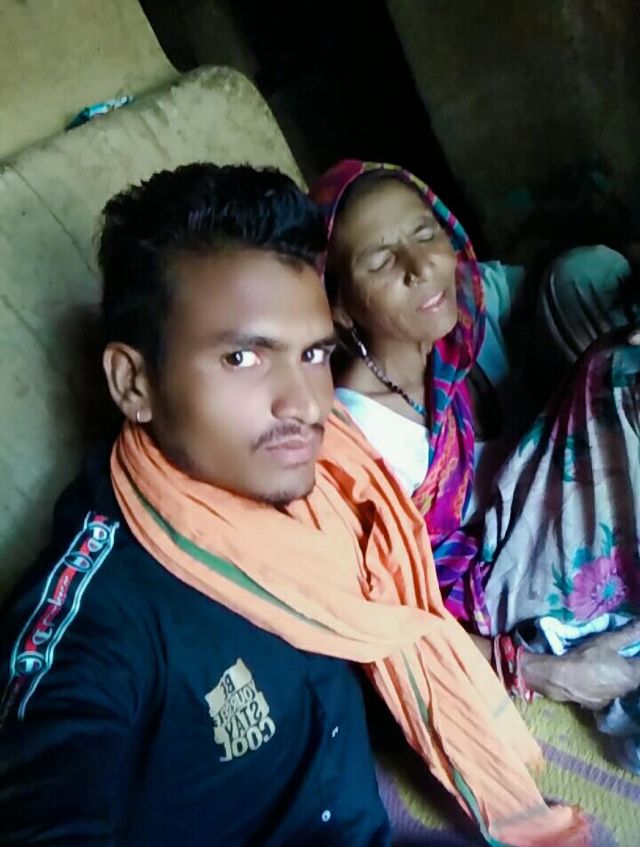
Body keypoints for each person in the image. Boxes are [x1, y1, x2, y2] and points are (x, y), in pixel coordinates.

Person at [0, 163, 589, 846]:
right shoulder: (104, 619)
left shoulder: (335, 488)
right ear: (133, 382)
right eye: (243, 359)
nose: (306, 405)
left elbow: (403, 629)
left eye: (313, 355)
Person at [310, 159, 640, 726]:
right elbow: (381, 625)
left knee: (596, 283)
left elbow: (553, 282)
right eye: (381, 260)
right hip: (489, 580)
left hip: (529, 508)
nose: (420, 266)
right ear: (337, 304)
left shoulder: (453, 321)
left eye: (425, 233)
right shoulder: (359, 437)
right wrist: (538, 670)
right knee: (618, 373)